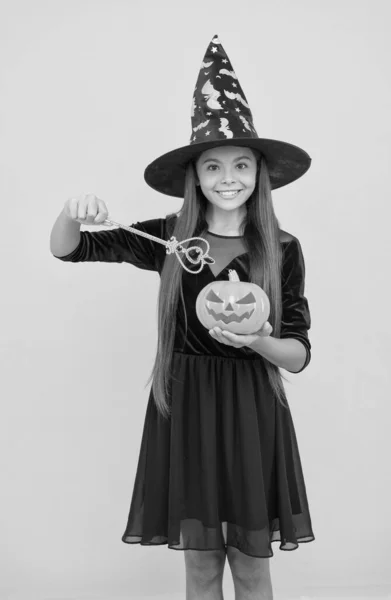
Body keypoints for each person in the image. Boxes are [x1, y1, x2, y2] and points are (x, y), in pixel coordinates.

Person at [50, 35, 315, 600]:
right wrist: (72, 212)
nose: (228, 177)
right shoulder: (174, 240)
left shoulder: (282, 247)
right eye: (213, 165)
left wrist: (262, 341)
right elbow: (71, 249)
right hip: (187, 404)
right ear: (194, 176)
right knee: (199, 569)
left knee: (250, 566)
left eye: (242, 165)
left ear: (259, 174)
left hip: (251, 407)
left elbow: (298, 354)